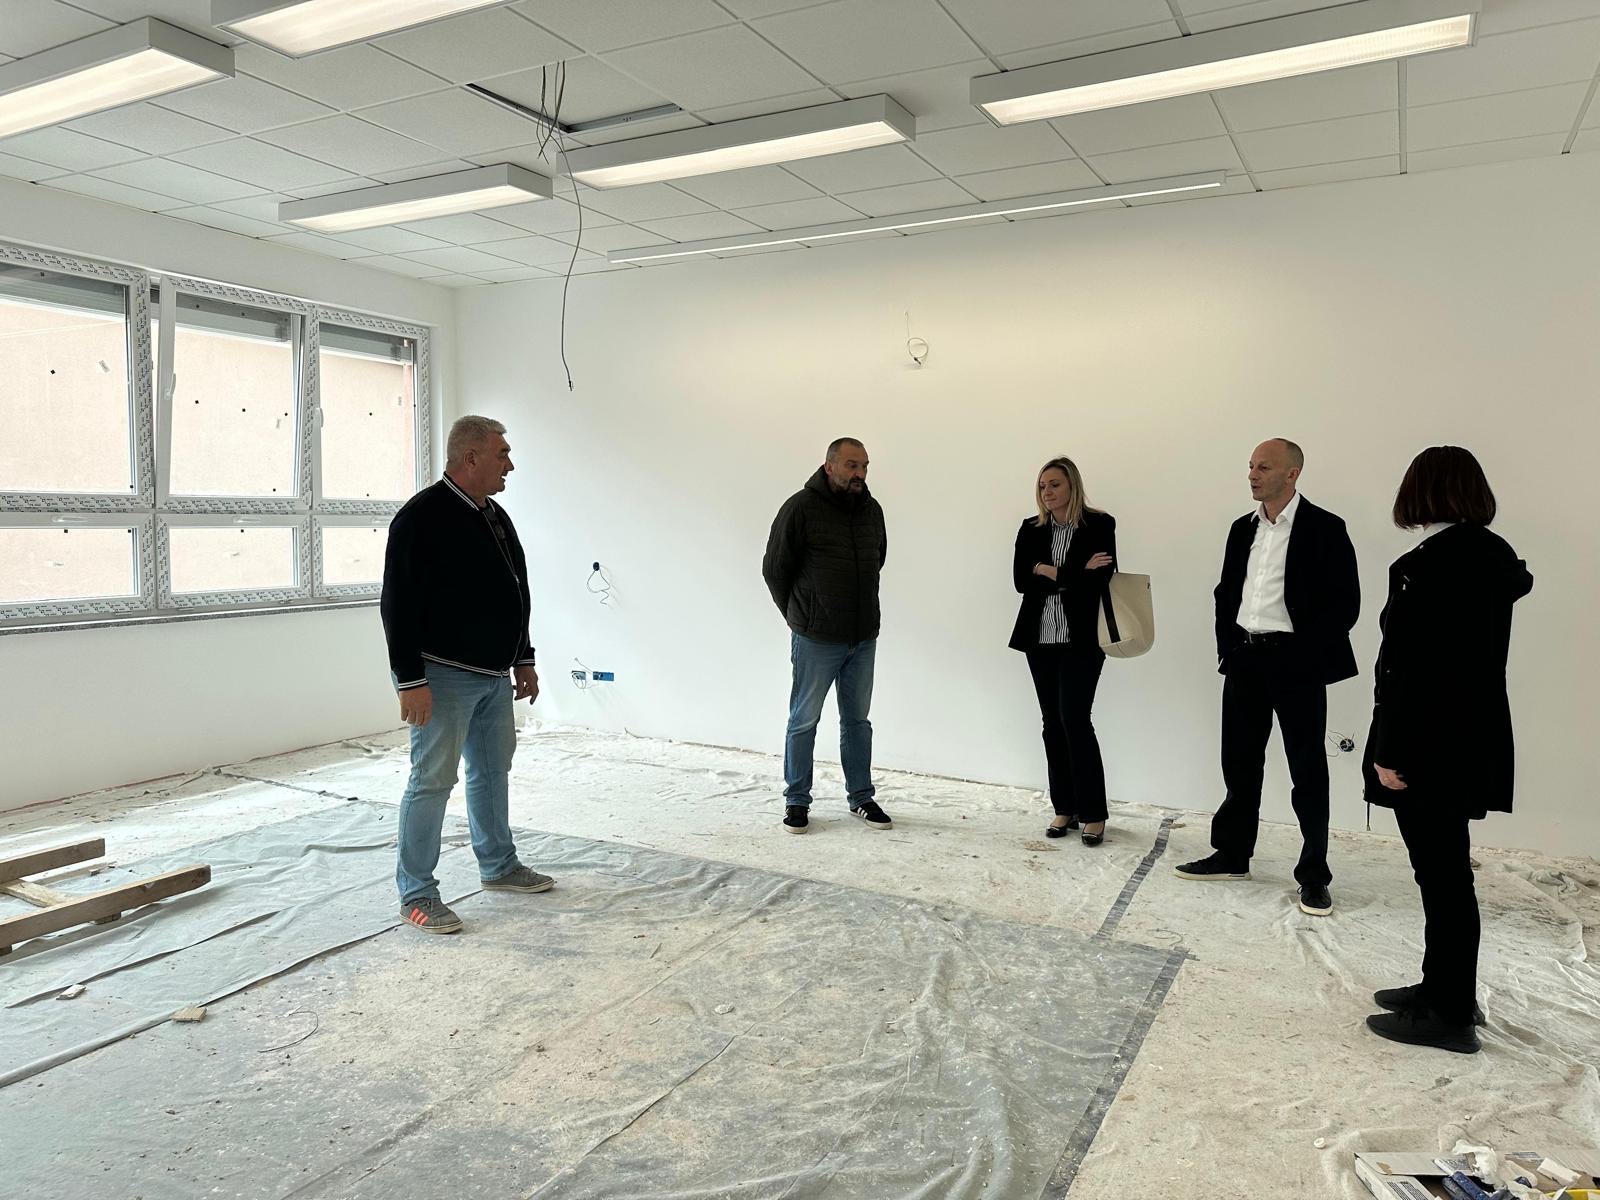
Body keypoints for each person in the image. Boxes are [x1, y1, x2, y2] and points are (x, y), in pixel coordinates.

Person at [1363, 447, 1531, 1054]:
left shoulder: (1430, 566)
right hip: (1467, 735)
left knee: (1442, 875)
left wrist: (1390, 750)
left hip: (1426, 741)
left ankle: (1450, 1013)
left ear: (1422, 491)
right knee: (1445, 871)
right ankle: (1442, 988)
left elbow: (1411, 669)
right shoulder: (1490, 557)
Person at [380, 415, 553, 935]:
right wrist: (410, 680)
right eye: (502, 454)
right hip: (443, 677)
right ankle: (416, 893)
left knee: (492, 770)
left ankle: (498, 864)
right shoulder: (421, 517)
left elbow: (516, 590)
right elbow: (397, 604)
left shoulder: (494, 515)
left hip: (494, 676)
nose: (510, 465)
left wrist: (522, 657)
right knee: (432, 780)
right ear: (471, 457)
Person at [1175, 439, 1359, 917]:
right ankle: (1233, 854)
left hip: (1297, 663)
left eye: (1264, 467)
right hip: (1245, 659)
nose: (1253, 475)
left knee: (1307, 771)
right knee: (1238, 763)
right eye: (1251, 466)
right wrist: (1228, 649)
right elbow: (1226, 593)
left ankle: (1314, 875)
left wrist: (1306, 654)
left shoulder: (1325, 528)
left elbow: (1345, 604)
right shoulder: (1243, 528)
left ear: (1292, 474)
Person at [761, 437, 891, 834]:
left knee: (857, 722)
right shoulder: (800, 507)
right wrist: (800, 617)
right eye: (852, 465)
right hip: (816, 638)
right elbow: (775, 569)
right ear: (829, 465)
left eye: (864, 466)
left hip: (862, 637)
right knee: (804, 720)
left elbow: (878, 559)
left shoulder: (871, 510)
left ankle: (861, 797)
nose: (860, 473)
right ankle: (797, 800)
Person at [1007, 456, 1117, 846]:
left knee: (1075, 719)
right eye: (1042, 486)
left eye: (1054, 484)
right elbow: (1021, 580)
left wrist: (1046, 569)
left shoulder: (1099, 524)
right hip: (1039, 638)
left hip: (1082, 640)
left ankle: (1093, 813)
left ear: (1072, 486)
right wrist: (1073, 573)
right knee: (1052, 722)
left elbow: (1099, 580)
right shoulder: (1031, 528)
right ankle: (1064, 807)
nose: (1047, 492)